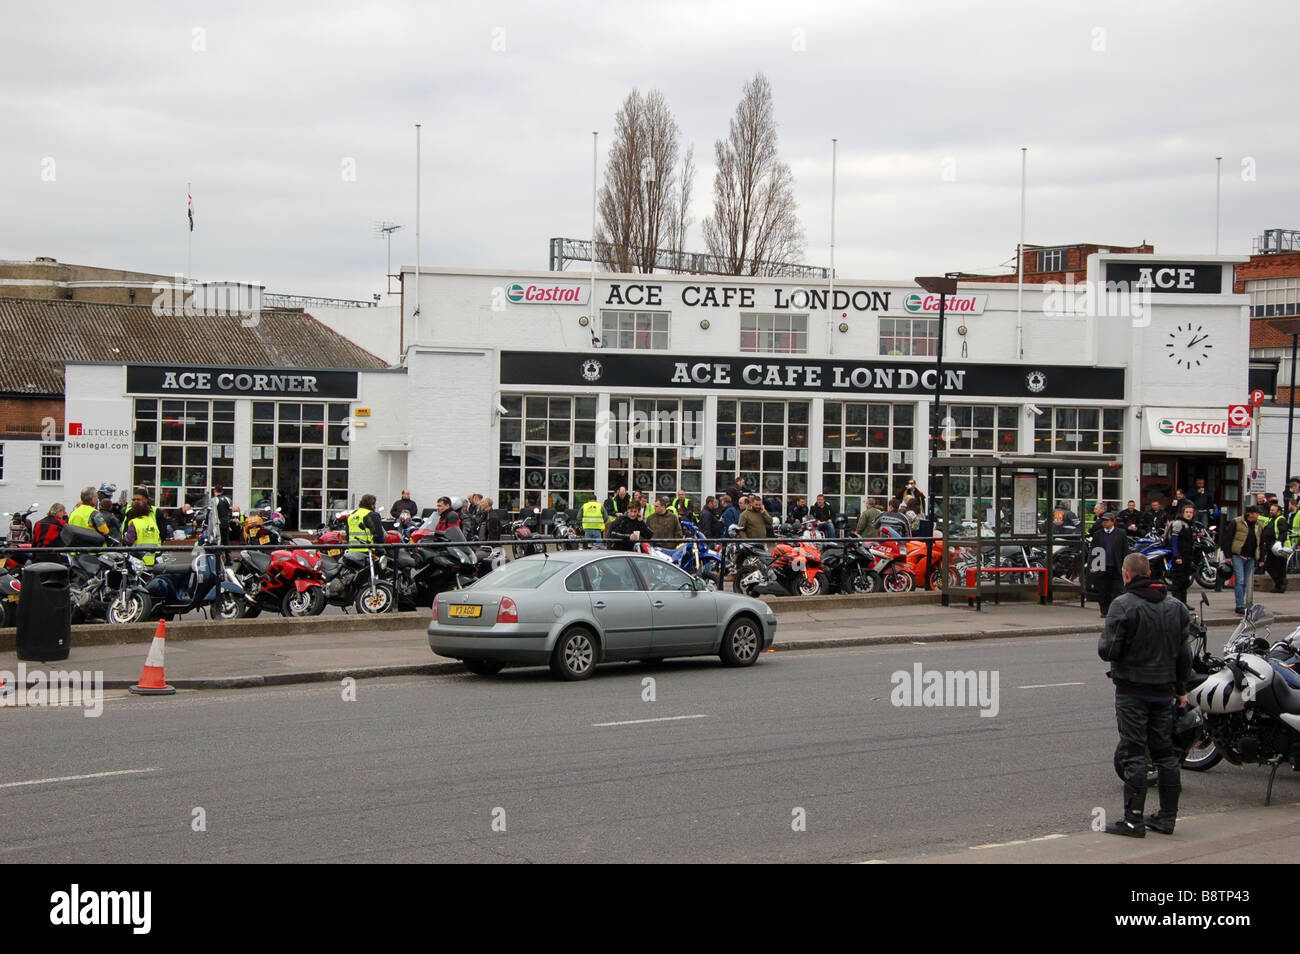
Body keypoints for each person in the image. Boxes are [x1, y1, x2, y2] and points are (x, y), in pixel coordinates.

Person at [1098, 552, 1192, 837]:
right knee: (1165, 753)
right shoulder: (1176, 606)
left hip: (1132, 690)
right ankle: (1167, 817)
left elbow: (1108, 650)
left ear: (1126, 574)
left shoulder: (1122, 605)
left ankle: (1133, 820)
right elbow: (1184, 654)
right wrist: (1181, 690)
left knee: (1135, 752)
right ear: (1148, 573)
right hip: (1164, 690)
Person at [1088, 511, 1128, 617]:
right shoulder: (1098, 534)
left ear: (1113, 521)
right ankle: (1104, 611)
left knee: (1117, 590)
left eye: (1107, 521)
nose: (1104, 523)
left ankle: (1114, 610)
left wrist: (1126, 566)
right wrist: (1093, 565)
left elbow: (1125, 550)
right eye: (1103, 521)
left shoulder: (1121, 533)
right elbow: (1094, 551)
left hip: (1116, 567)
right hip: (1102, 566)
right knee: (1103, 591)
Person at [1223, 505, 1261, 614]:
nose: (1258, 515)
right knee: (1240, 580)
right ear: (1250, 514)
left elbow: (1259, 542)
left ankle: (1242, 603)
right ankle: (1240, 604)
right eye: (1256, 513)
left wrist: (1260, 557)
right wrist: (1228, 555)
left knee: (1245, 581)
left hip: (1251, 556)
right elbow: (1228, 538)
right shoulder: (1237, 522)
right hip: (1238, 555)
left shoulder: (1258, 525)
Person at [1165, 501, 1197, 603]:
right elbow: (1174, 541)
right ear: (1183, 513)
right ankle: (1177, 603)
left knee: (1185, 582)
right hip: (1179, 558)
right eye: (1187, 512)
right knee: (1178, 582)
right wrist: (1177, 556)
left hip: (1187, 557)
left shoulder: (1189, 525)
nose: (1189, 514)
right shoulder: (1179, 523)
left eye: (1191, 512)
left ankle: (1184, 603)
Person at [123, 490, 163, 565]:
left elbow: (129, 541)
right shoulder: (152, 522)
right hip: (151, 557)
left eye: (138, 499)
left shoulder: (134, 522)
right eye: (134, 500)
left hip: (137, 558)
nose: (135, 501)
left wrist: (124, 539)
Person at [1261, 500, 1289, 593]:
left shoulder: (1280, 519)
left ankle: (1280, 585)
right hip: (1272, 548)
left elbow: (1283, 532)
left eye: (1273, 510)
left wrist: (1279, 543)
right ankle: (1280, 583)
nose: (1271, 511)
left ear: (1279, 512)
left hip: (1279, 548)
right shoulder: (1271, 520)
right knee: (1270, 566)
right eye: (1270, 510)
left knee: (1279, 567)